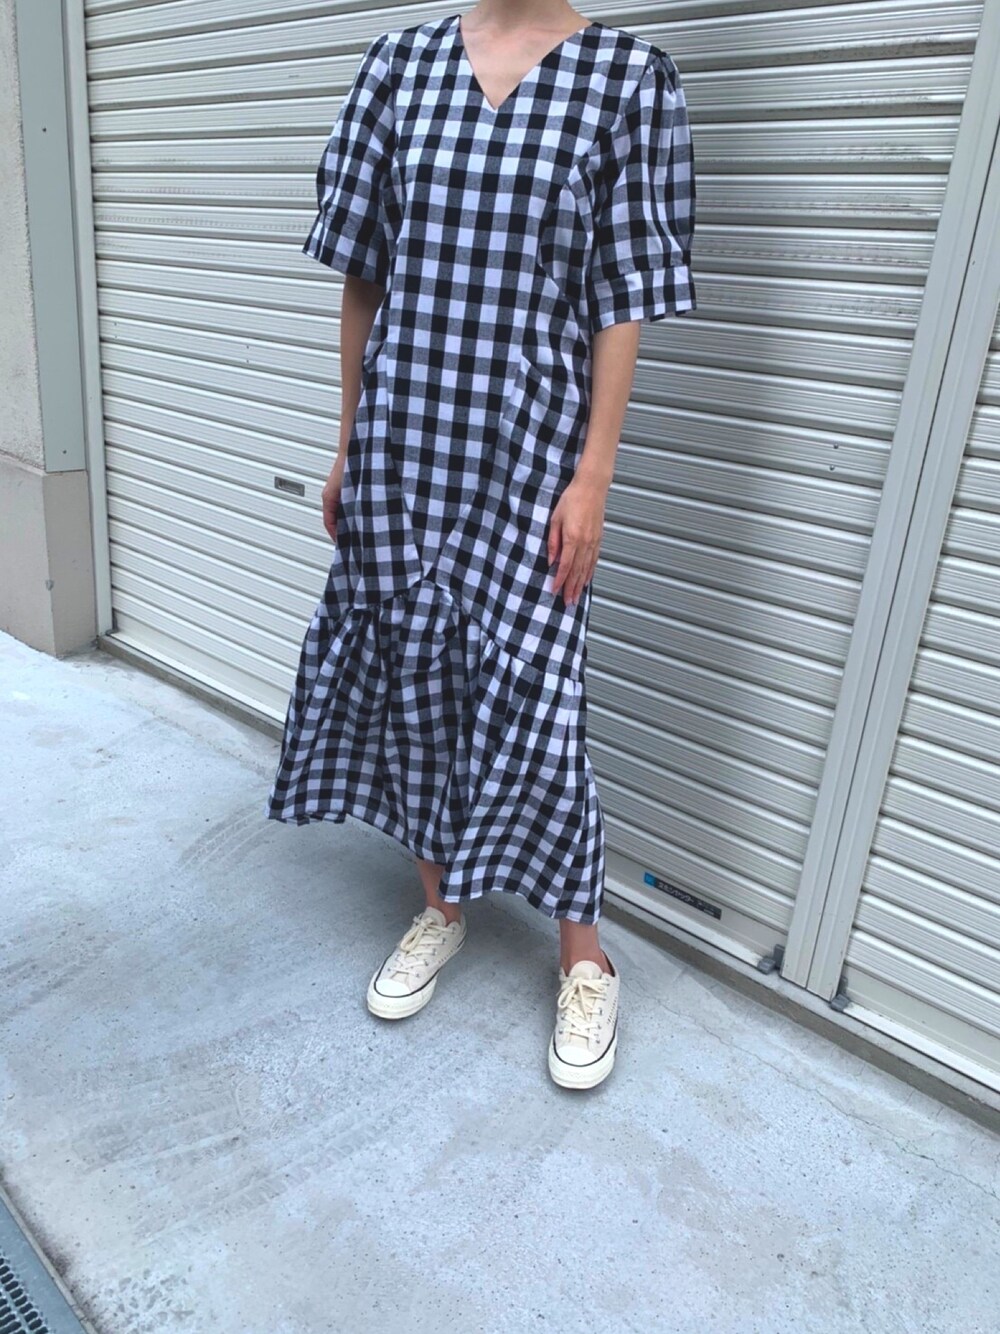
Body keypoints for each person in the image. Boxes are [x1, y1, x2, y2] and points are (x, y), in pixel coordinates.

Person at [266, 0, 697, 1089]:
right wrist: (347, 443)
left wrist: (593, 475)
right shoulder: (400, 66)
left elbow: (621, 300)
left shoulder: (626, 81)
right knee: (414, 672)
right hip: (403, 441)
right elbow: (363, 274)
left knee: (539, 694)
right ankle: (440, 905)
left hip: (532, 454)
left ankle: (585, 956)